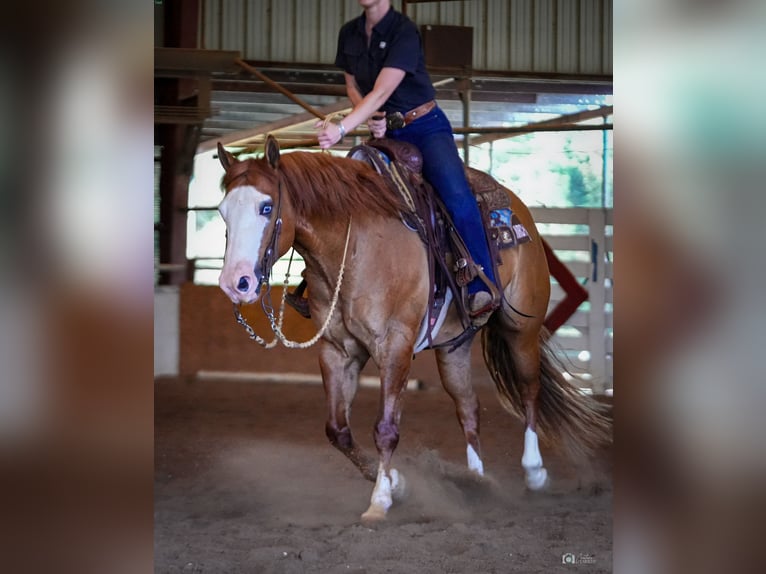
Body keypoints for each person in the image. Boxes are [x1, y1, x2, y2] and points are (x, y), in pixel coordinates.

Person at [315, 0, 497, 325]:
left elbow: (382, 90)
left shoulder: (404, 32)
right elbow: (353, 85)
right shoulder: (350, 33)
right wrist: (371, 117)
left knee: (455, 194)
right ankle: (322, 283)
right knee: (345, 197)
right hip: (385, 131)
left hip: (425, 127)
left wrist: (343, 126)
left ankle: (480, 281)